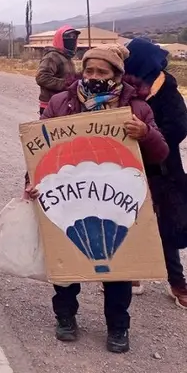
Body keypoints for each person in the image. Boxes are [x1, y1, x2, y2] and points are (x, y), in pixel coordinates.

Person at [25, 46, 168, 353]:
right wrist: (31, 183)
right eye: (89, 71)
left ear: (117, 75)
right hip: (71, 196)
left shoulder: (137, 108)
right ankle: (65, 317)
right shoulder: (61, 103)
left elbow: (160, 154)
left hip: (115, 199)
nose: (93, 77)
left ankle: (118, 326)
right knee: (66, 258)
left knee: (119, 267)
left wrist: (145, 134)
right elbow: (38, 150)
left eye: (102, 72)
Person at [124, 37, 187, 309]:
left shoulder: (166, 89)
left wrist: (149, 135)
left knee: (165, 227)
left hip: (162, 170)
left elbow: (179, 128)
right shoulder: (124, 88)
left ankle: (177, 283)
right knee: (128, 219)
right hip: (128, 167)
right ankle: (132, 276)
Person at [35, 25, 80, 115]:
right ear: (60, 40)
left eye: (73, 39)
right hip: (50, 104)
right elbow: (42, 78)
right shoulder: (51, 56)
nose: (71, 42)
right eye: (68, 39)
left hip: (64, 103)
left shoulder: (67, 58)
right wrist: (66, 84)